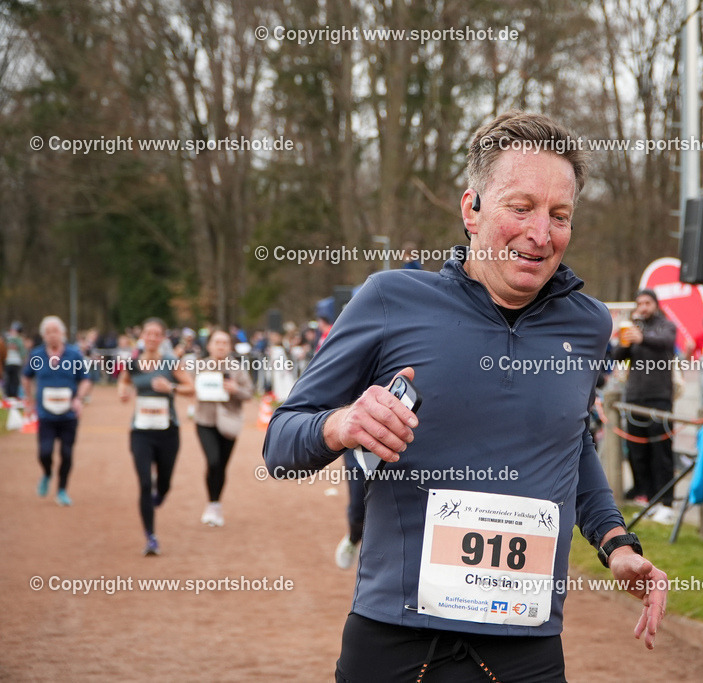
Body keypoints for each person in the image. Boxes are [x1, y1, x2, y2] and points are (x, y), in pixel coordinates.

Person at [264, 111, 668, 682]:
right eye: (520, 207)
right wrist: (341, 424)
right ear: (471, 209)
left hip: (526, 651)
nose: (541, 234)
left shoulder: (589, 325)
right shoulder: (390, 300)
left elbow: (570, 444)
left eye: (560, 216)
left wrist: (615, 542)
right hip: (397, 644)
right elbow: (280, 444)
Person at [118, 318, 194, 556]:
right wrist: (123, 392)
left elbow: (192, 389)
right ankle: (150, 537)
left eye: (156, 334)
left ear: (162, 338)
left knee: (164, 483)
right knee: (143, 483)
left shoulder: (171, 362)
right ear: (142, 337)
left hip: (167, 431)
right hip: (140, 431)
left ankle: (160, 495)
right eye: (147, 334)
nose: (151, 338)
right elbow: (124, 382)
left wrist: (170, 388)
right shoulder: (133, 363)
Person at [611, 289, 679, 523]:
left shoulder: (665, 326)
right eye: (639, 303)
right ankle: (649, 498)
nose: (642, 307)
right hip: (634, 398)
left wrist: (642, 338)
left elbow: (667, 342)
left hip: (659, 397)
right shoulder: (633, 328)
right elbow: (617, 357)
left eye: (647, 302)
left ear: (656, 305)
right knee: (638, 453)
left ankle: (667, 502)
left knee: (661, 452)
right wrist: (624, 341)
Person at [21, 316, 92, 505]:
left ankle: (61, 490)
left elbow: (85, 379)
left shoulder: (74, 354)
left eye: (56, 331)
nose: (52, 335)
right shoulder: (37, 355)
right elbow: (26, 377)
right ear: (44, 335)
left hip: (69, 415)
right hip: (46, 414)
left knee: (67, 454)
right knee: (45, 452)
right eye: (48, 332)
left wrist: (79, 399)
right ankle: (46, 473)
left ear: (63, 334)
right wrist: (30, 400)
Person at [194, 329, 253, 527]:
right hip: (205, 421)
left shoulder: (236, 368)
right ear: (209, 345)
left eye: (224, 342)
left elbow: (249, 393)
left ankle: (216, 504)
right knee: (213, 461)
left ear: (229, 346)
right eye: (216, 342)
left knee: (222, 465)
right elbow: (187, 387)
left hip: (229, 422)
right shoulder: (199, 366)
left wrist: (236, 389)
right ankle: (211, 503)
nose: (220, 346)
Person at [5, 321, 26, 399]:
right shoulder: (7, 339)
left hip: (16, 362)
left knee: (14, 380)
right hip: (9, 362)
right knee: (9, 380)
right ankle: (8, 396)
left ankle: (13, 396)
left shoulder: (19, 340)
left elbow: (22, 352)